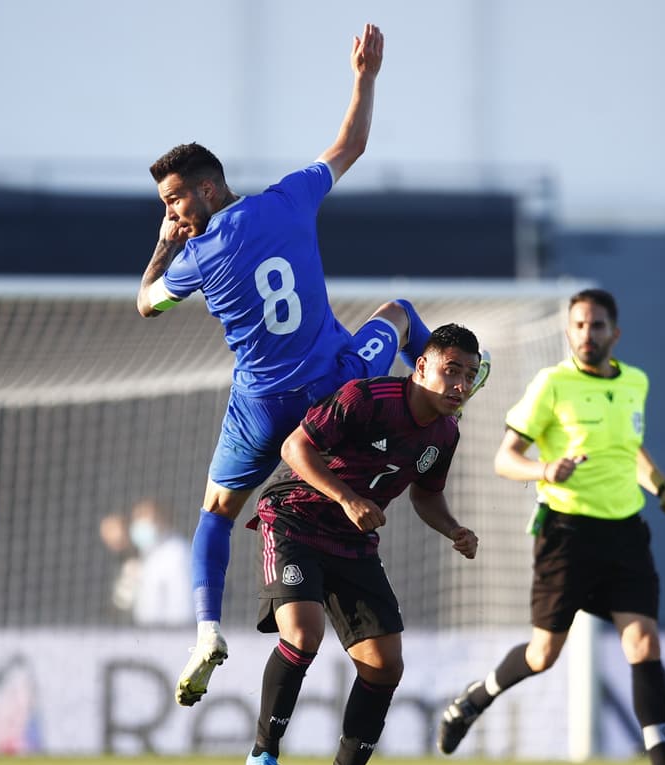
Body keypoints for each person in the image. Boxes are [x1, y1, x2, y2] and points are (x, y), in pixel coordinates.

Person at [137, 24, 486, 707]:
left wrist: (159, 245)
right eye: (164, 206)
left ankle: (206, 629)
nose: (173, 211)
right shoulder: (288, 198)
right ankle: (441, 393)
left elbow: (147, 304)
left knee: (216, 510)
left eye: (176, 198)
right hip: (336, 379)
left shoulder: (196, 259)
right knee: (397, 313)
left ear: (209, 189)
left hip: (262, 402)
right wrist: (365, 77)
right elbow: (350, 145)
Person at [435, 288, 665, 765]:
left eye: (597, 325)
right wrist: (545, 469)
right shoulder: (551, 384)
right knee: (543, 654)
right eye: (579, 325)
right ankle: (472, 701)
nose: (588, 334)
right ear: (569, 331)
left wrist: (661, 485)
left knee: (644, 641)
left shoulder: (635, 382)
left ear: (615, 333)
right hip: (567, 534)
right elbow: (505, 457)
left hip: (626, 532)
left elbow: (630, 449)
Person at [243, 324, 482, 765]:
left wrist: (454, 529)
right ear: (422, 366)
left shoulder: (446, 433)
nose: (460, 384)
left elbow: (427, 494)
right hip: (294, 518)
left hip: (352, 542)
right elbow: (295, 450)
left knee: (385, 664)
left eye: (470, 375)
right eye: (451, 370)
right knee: (303, 636)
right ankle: (264, 753)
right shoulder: (365, 398)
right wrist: (349, 497)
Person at [100, 500, 195, 627]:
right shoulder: (145, 553)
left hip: (171, 634)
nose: (139, 525)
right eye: (137, 518)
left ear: (161, 520)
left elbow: (183, 604)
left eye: (145, 518)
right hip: (146, 633)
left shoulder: (177, 552)